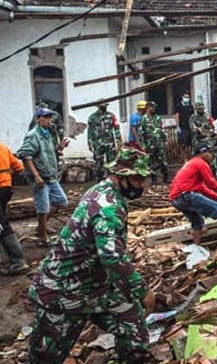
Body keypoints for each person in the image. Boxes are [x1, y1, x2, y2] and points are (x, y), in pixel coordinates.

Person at [27, 148, 155, 364]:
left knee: (132, 324)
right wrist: (143, 290)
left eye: (144, 179)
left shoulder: (106, 191)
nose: (142, 184)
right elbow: (112, 257)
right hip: (65, 289)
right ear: (120, 177)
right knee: (46, 356)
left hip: (96, 283)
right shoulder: (107, 206)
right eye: (137, 178)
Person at [169, 142, 217, 244]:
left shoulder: (192, 163)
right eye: (210, 153)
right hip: (187, 195)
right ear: (203, 153)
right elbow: (211, 183)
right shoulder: (200, 163)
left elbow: (202, 188)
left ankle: (197, 245)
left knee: (197, 222)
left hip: (176, 199)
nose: (211, 156)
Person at [17, 107, 69, 246]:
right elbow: (25, 155)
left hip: (51, 176)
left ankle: (41, 228)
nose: (48, 120)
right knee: (43, 208)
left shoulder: (47, 134)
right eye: (45, 117)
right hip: (40, 178)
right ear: (38, 119)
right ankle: (43, 238)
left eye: (49, 117)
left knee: (61, 201)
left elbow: (48, 151)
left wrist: (60, 147)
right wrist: (36, 175)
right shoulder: (33, 135)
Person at [0, 141, 28, 275]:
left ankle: (18, 262)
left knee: (2, 225)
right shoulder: (3, 147)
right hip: (6, 188)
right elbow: (18, 166)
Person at [88, 102, 122, 180]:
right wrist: (90, 143)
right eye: (102, 106)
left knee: (111, 162)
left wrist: (118, 140)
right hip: (98, 143)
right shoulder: (92, 117)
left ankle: (112, 179)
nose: (104, 107)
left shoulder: (111, 116)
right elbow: (90, 131)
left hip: (110, 143)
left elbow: (116, 128)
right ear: (98, 107)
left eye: (105, 106)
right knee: (98, 162)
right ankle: (99, 180)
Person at [138, 101, 168, 182]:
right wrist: (142, 145)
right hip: (149, 143)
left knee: (163, 160)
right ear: (148, 108)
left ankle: (165, 177)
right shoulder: (143, 119)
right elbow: (140, 133)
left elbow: (162, 129)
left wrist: (165, 140)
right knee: (151, 161)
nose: (154, 109)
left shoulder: (157, 118)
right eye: (152, 107)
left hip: (159, 143)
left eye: (154, 107)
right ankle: (153, 178)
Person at [175, 93, 194, 158]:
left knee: (191, 142)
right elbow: (177, 116)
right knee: (183, 143)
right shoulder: (179, 105)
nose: (186, 98)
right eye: (185, 97)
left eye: (188, 97)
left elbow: (192, 116)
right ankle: (185, 158)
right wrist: (178, 126)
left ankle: (191, 157)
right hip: (182, 126)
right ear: (182, 97)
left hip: (190, 126)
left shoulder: (190, 106)